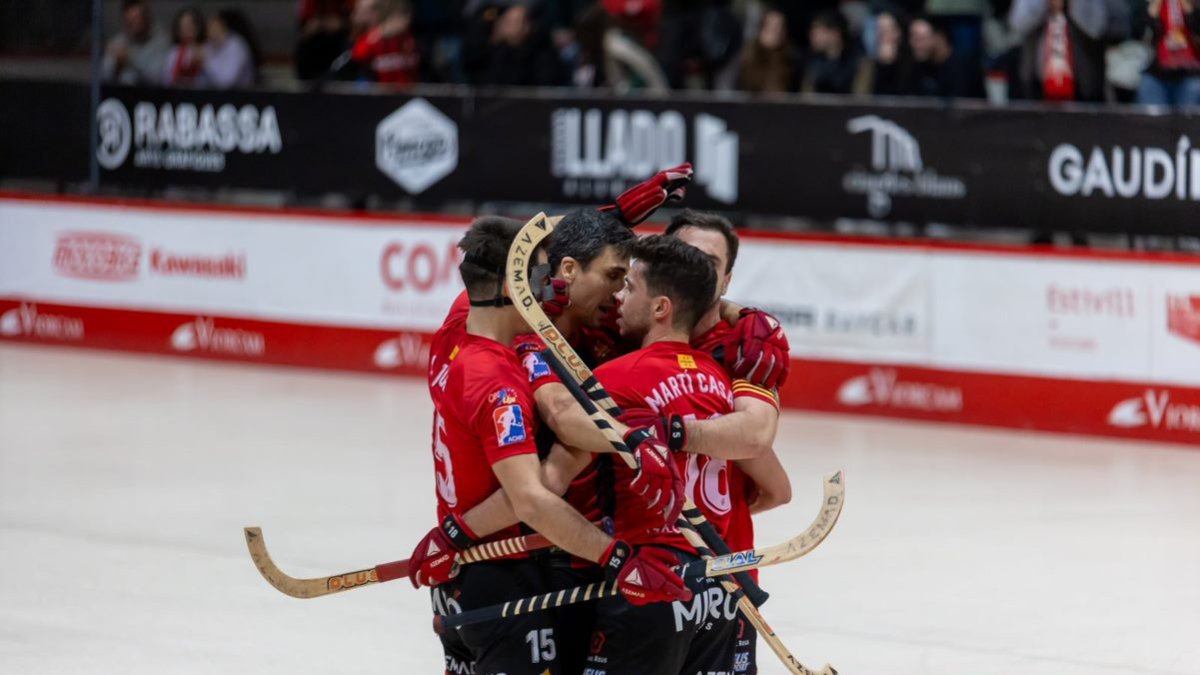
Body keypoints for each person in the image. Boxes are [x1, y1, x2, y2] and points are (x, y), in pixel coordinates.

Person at [407, 217, 691, 675]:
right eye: (539, 278)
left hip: (468, 573)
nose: (550, 287)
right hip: (501, 576)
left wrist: (632, 440)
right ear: (510, 285)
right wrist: (618, 559)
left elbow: (561, 413)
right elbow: (532, 498)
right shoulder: (496, 381)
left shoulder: (461, 333)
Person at [581, 235, 745, 675]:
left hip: (649, 582)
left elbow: (559, 481)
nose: (619, 295)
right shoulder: (720, 379)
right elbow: (771, 485)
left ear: (660, 308)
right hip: (716, 587)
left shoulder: (612, 379)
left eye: (630, 287)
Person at [664, 210, 792, 675]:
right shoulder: (628, 330)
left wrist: (675, 434)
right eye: (685, 258)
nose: (697, 273)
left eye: (709, 264)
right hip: (638, 575)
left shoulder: (745, 347)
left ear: (728, 276)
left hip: (722, 580)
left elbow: (759, 445)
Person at [1135, 0, 1200, 105]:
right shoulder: (1149, 5)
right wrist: (1154, 8)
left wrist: (1189, 7)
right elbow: (1139, 34)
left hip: (1190, 75)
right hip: (1156, 75)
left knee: (1190, 118)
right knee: (1152, 118)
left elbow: (1197, 29)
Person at [910, 14, 985, 98]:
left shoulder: (963, 67)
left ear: (940, 37)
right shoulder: (918, 65)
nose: (914, 44)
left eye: (920, 39)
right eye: (912, 38)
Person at [350, 0, 421, 85]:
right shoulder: (372, 36)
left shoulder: (410, 37)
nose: (354, 16)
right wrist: (379, 33)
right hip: (380, 94)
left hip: (410, 92)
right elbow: (358, 55)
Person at [802, 9, 870, 95]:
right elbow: (806, 98)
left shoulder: (858, 62)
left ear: (835, 33)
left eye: (819, 32)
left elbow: (860, 98)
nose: (813, 36)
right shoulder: (812, 62)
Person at [103, 0, 170, 85]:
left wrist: (131, 60)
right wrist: (117, 66)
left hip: (152, 95)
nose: (134, 26)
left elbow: (159, 77)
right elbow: (103, 76)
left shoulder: (161, 41)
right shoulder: (118, 41)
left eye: (137, 20)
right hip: (120, 94)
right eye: (130, 22)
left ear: (146, 19)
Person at [739, 7, 800, 94]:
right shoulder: (747, 57)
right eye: (771, 27)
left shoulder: (792, 59)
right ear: (762, 29)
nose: (776, 31)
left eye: (780, 27)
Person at [202, 9, 259, 88]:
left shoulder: (236, 45)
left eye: (213, 26)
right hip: (212, 95)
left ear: (222, 26)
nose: (208, 30)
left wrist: (205, 60)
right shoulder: (208, 45)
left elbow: (227, 81)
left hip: (240, 95)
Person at [867, 8, 918, 96]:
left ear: (898, 32)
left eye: (885, 30)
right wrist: (883, 65)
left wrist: (890, 65)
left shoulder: (913, 60)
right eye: (878, 30)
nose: (880, 35)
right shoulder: (868, 63)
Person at [162, 6, 206, 86]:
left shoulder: (206, 49)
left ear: (198, 27)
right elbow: (166, 80)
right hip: (177, 94)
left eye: (190, 25)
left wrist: (204, 63)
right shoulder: (174, 52)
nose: (186, 29)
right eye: (183, 26)